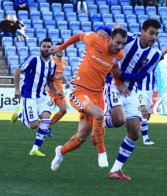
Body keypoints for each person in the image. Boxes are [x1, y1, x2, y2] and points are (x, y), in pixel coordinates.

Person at [96, 19, 167, 180]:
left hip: (131, 90)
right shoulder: (128, 39)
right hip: (112, 84)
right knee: (119, 120)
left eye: (156, 34)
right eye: (151, 33)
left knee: (134, 132)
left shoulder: (155, 54)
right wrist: (100, 30)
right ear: (142, 31)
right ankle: (98, 124)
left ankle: (115, 170)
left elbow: (141, 76)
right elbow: (107, 31)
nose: (154, 37)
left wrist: (123, 75)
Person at [49, 28, 128, 171]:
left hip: (97, 95)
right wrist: (60, 48)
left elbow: (114, 69)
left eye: (123, 44)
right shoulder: (94, 39)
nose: (120, 47)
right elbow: (78, 36)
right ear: (109, 38)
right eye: (118, 43)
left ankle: (60, 152)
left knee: (80, 138)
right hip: (79, 90)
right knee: (99, 115)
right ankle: (102, 152)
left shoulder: (120, 54)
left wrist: (119, 84)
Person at [11, 38, 65, 156]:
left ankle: (35, 149)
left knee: (46, 120)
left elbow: (50, 83)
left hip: (42, 96)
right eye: (43, 46)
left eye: (48, 47)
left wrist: (57, 92)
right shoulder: (33, 59)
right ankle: (19, 113)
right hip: (28, 96)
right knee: (34, 125)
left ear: (52, 49)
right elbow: (17, 71)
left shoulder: (52, 64)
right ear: (40, 48)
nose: (46, 49)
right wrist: (16, 89)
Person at [46, 42, 70, 137]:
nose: (60, 51)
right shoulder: (51, 61)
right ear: (56, 50)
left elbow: (61, 74)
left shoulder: (64, 62)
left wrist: (66, 82)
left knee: (63, 110)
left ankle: (48, 126)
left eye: (62, 49)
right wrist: (57, 76)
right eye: (58, 49)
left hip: (59, 90)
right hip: (50, 89)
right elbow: (47, 75)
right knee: (45, 112)